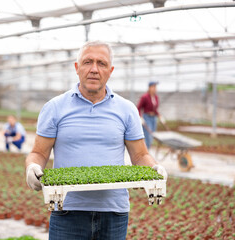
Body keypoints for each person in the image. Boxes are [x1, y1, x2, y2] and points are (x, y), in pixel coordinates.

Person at [25, 41, 167, 240]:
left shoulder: (126, 109)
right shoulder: (55, 107)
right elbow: (39, 152)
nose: (94, 69)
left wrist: (154, 168)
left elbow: (140, 154)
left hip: (114, 213)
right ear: (77, 68)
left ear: (110, 70)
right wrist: (32, 166)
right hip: (67, 211)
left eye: (101, 63)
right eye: (87, 62)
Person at [137, 81, 160, 149]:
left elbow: (155, 109)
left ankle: (147, 152)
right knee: (148, 136)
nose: (155, 88)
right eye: (154, 87)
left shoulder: (156, 97)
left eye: (156, 87)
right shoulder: (144, 97)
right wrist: (140, 117)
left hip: (154, 118)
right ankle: (146, 155)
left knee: (152, 136)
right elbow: (138, 108)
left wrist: (159, 116)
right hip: (147, 118)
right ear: (150, 87)